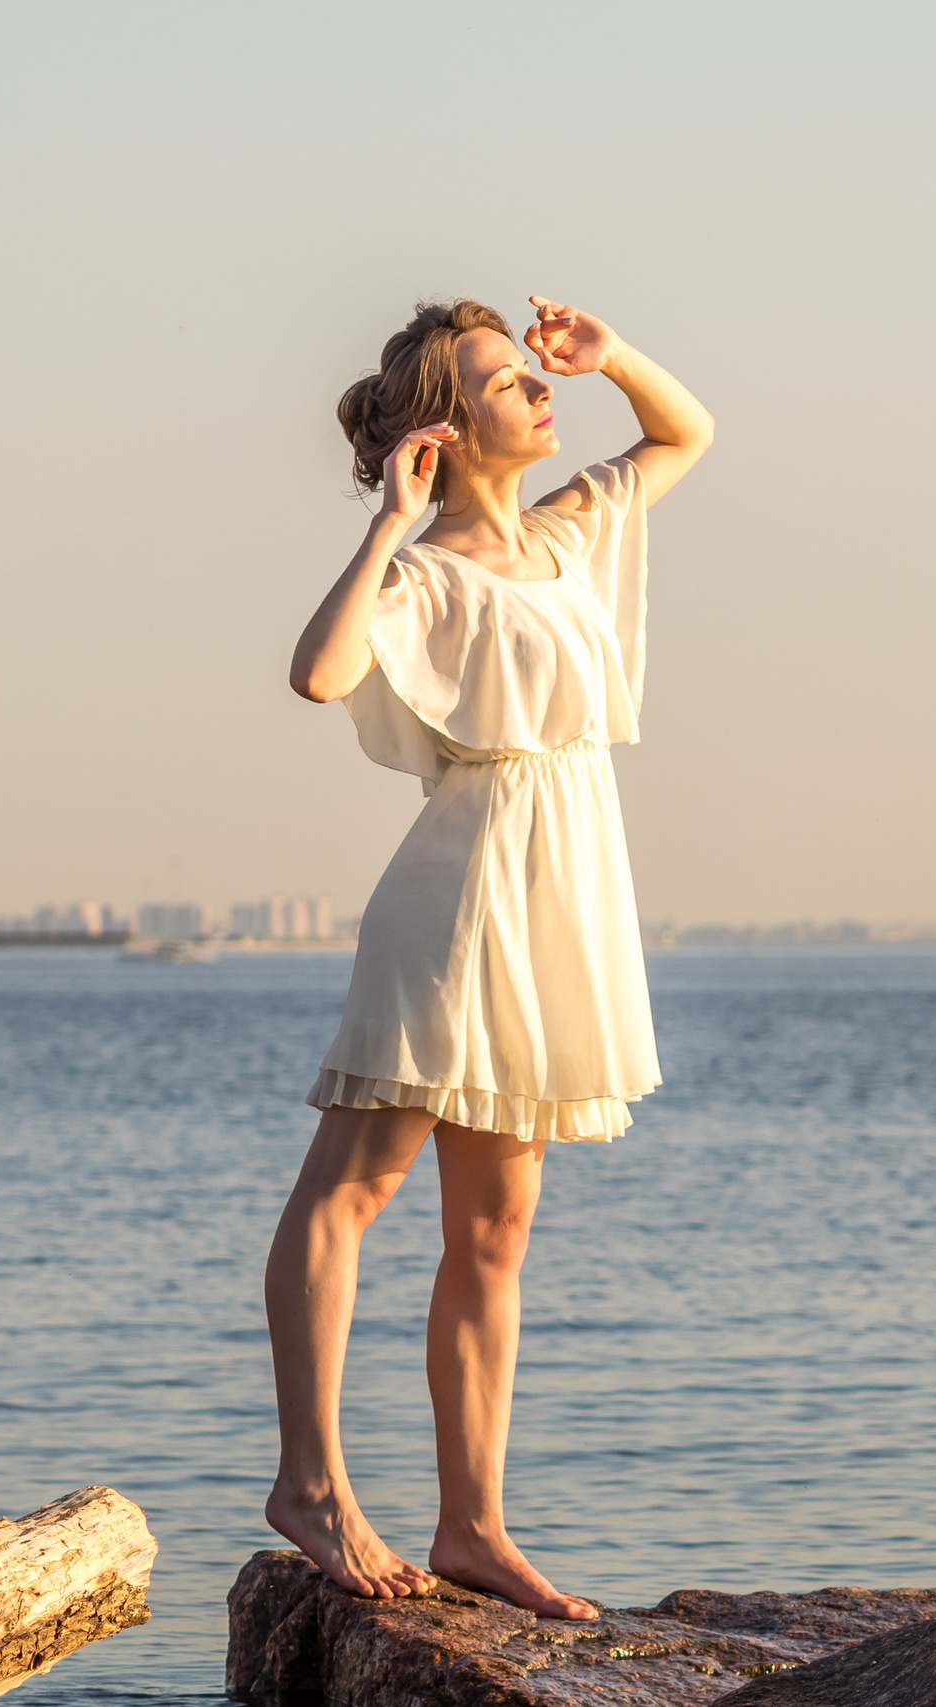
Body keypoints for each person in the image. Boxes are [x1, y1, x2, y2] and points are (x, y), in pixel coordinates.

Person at [264, 297, 712, 1619]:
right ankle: (312, 1485)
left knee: (498, 1232)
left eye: (533, 374)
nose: (538, 390)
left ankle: (473, 1526)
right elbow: (319, 671)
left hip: (565, 889)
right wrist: (388, 522)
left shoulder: (576, 533)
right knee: (355, 1186)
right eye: (508, 379)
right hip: (462, 895)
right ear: (448, 429)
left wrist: (611, 353)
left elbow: (688, 434)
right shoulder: (420, 575)